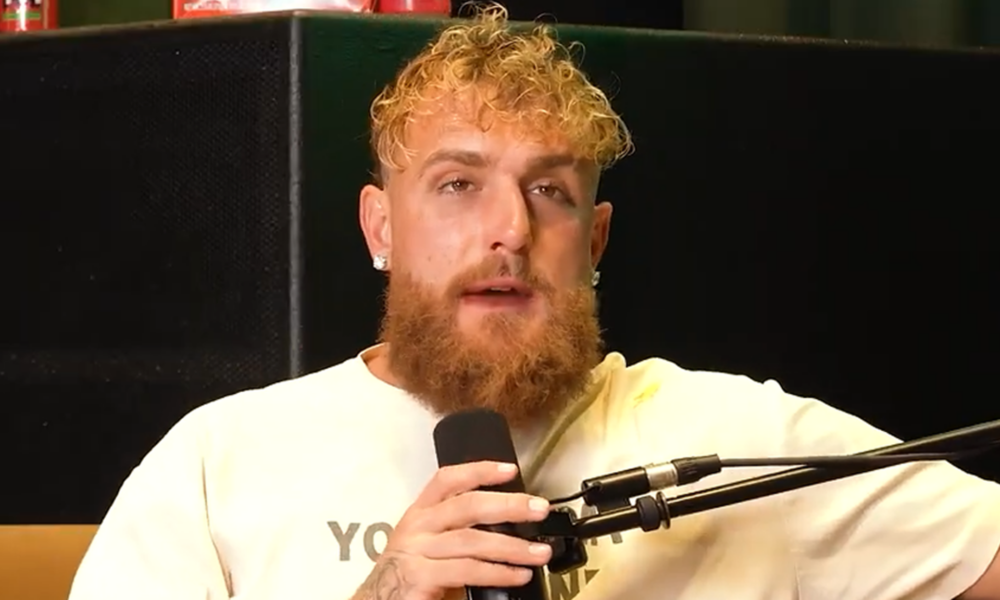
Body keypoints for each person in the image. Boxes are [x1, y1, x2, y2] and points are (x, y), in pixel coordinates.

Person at [68, 3, 1000, 600]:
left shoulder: (745, 439)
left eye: (550, 191)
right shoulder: (221, 459)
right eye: (458, 185)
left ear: (593, 243)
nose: (509, 229)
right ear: (380, 228)